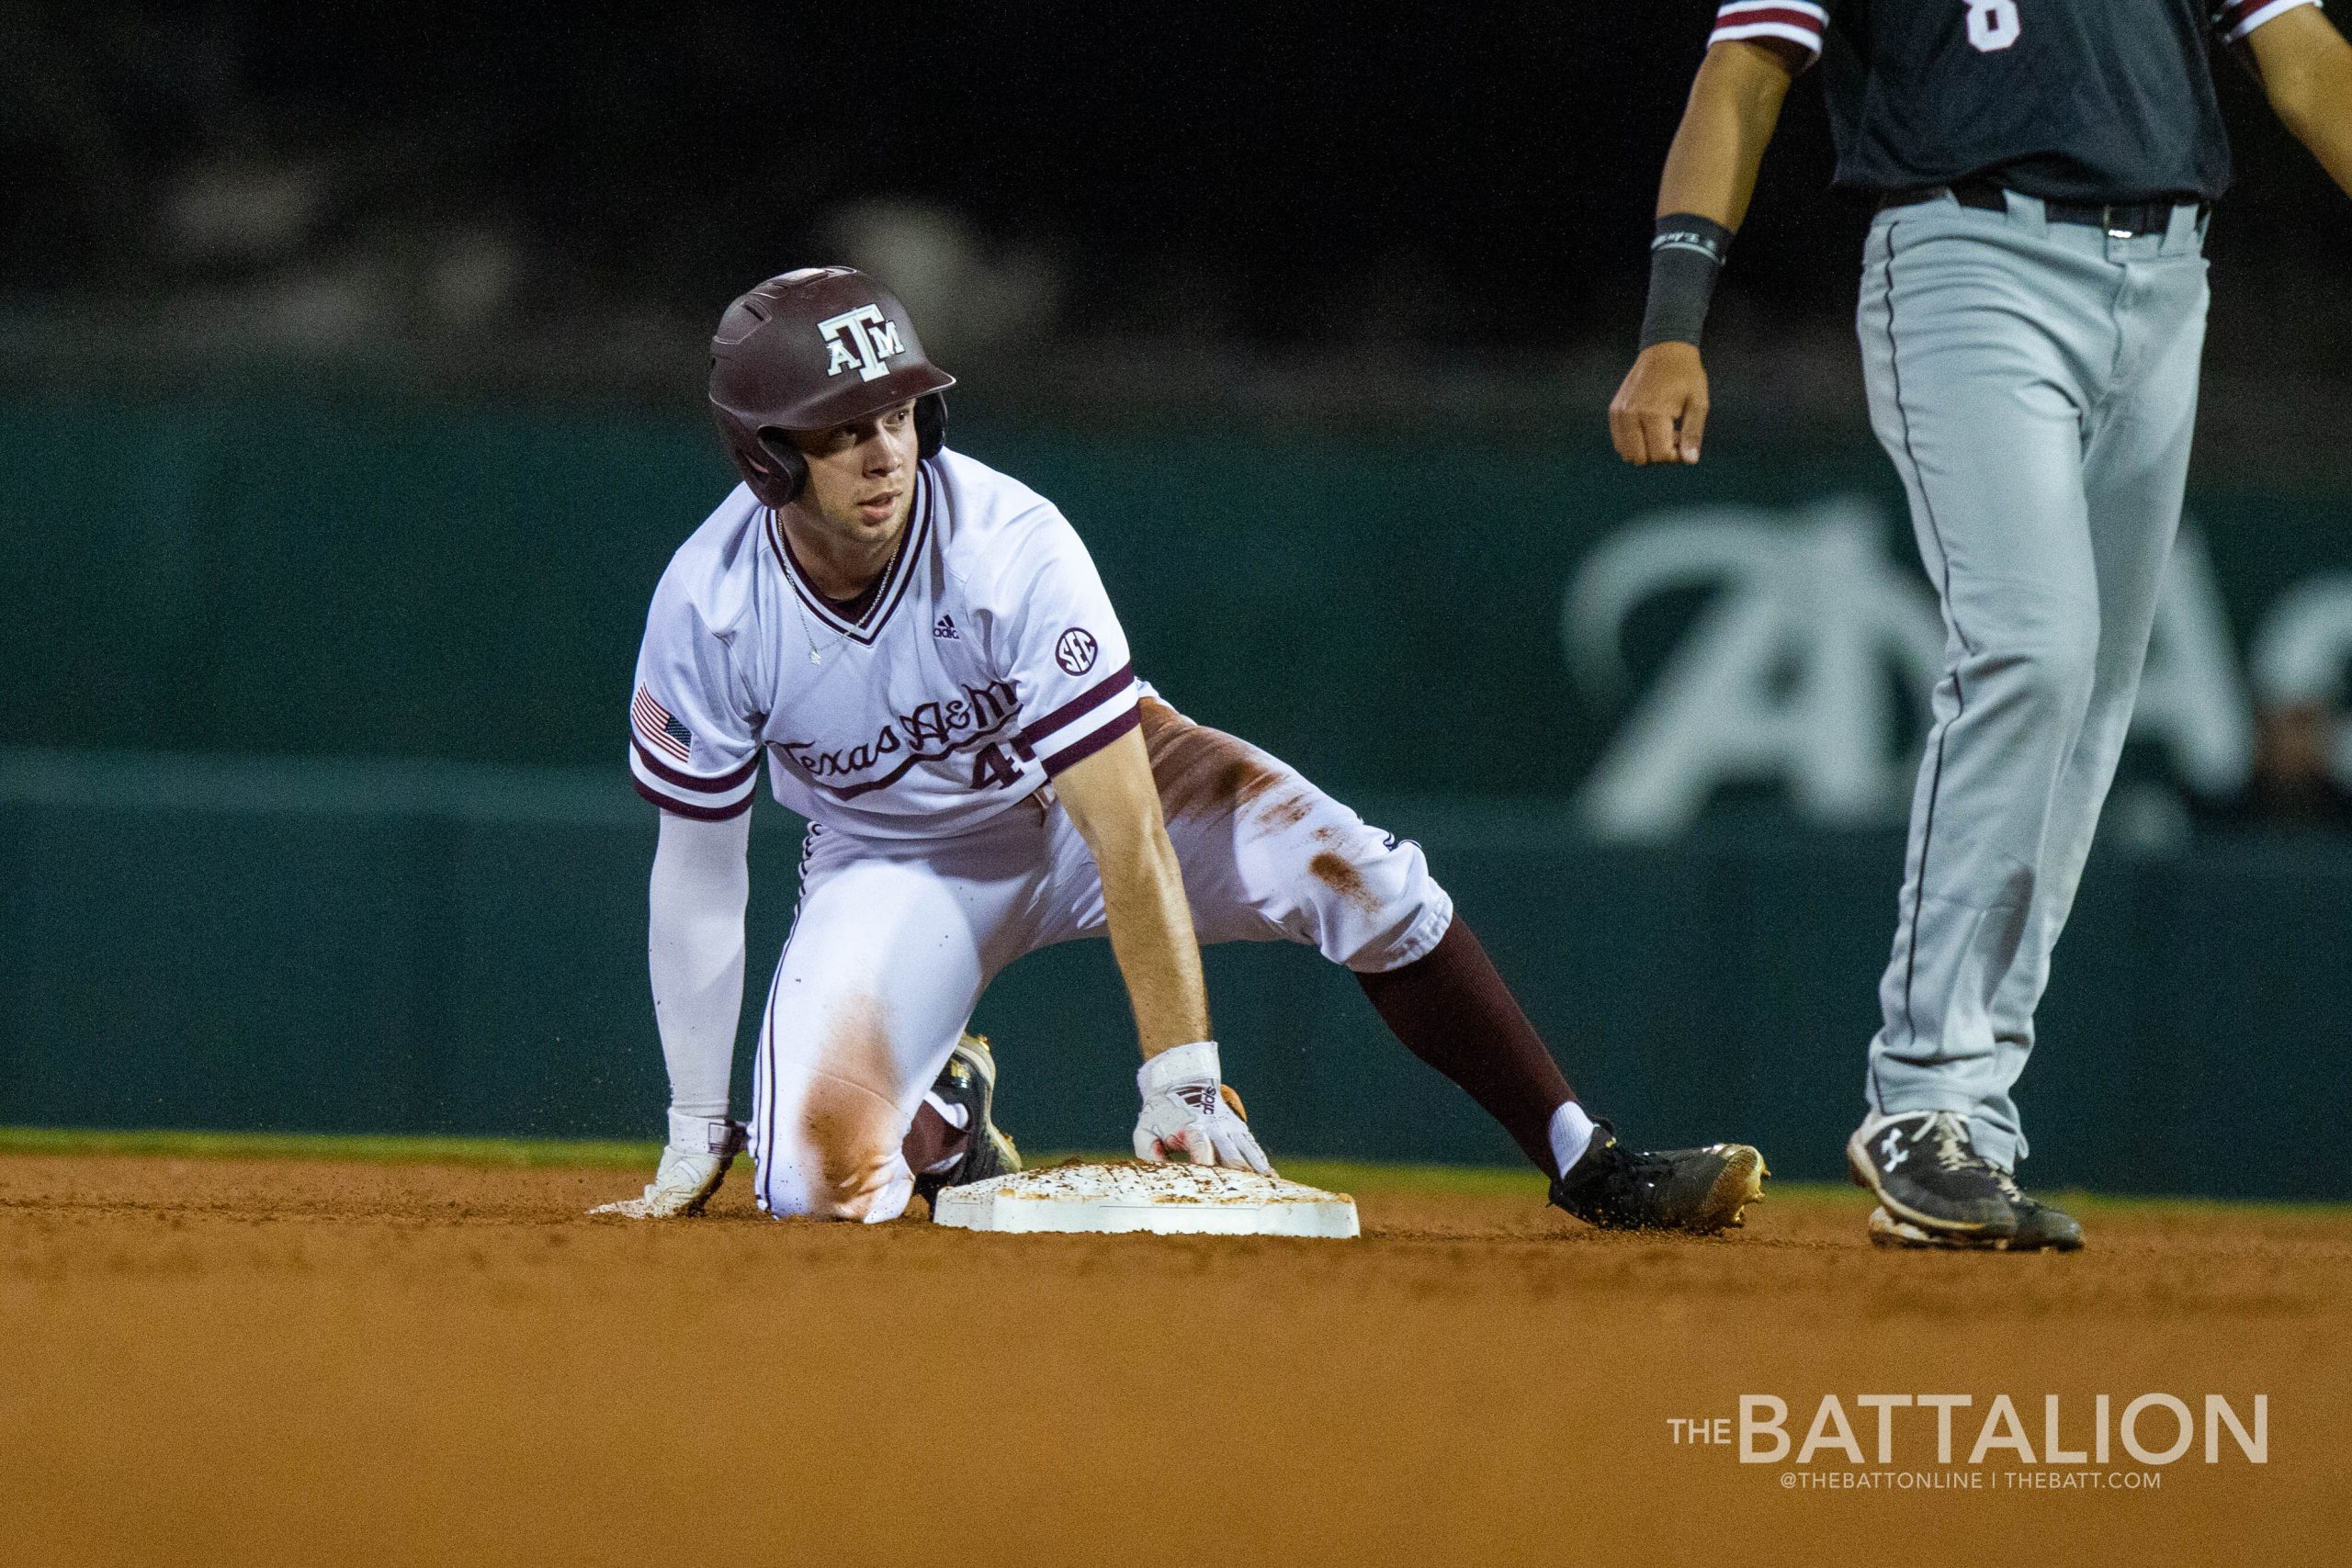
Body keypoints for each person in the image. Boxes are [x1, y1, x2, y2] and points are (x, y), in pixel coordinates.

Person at [594, 265, 1768, 1230]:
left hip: (1091, 797)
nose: (885, 453)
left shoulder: (1005, 542)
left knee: (1364, 880)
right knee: (810, 1186)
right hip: (894, 862)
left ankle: (1583, 1158)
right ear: (765, 456)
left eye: (898, 415)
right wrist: (698, 1125)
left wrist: (1179, 1078)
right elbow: (698, 876)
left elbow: (1123, 823)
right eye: (842, 431)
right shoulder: (710, 605)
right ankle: (941, 1120)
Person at [1609, 1, 2352, 1249]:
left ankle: (1972, 1127)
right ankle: (1922, 1094)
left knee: (2093, 703)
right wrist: (1672, 324)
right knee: (2031, 645)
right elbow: (1741, 75)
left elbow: (2308, 63)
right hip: (1968, 260)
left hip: (2171, 279)